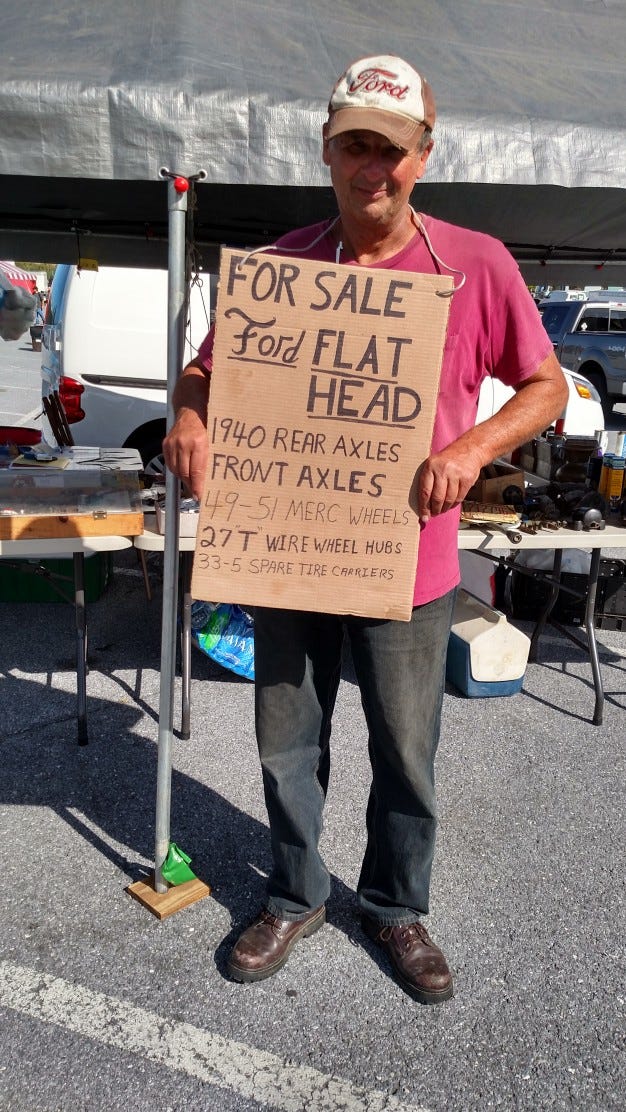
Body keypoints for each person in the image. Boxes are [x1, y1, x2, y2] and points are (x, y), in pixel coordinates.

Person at [163, 54, 568, 1005]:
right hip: (288, 550)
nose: (370, 166)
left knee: (405, 748)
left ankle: (393, 905)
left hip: (410, 563)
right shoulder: (279, 270)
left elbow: (547, 387)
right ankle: (295, 892)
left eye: (389, 148)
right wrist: (189, 416)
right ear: (327, 150)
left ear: (423, 154)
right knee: (286, 742)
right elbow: (203, 373)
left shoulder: (477, 263)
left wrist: (471, 450)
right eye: (353, 144)